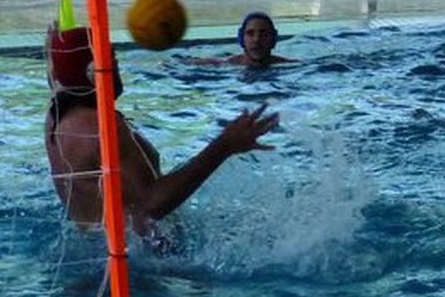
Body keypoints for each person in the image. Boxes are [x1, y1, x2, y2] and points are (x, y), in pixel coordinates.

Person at [44, 24, 280, 235]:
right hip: (139, 262)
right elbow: (151, 204)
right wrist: (225, 145)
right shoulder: (101, 128)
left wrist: (54, 45)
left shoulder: (55, 116)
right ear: (92, 72)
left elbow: (60, 73)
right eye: (112, 61)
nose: (117, 68)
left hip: (98, 250)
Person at [225, 12, 297, 68]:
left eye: (264, 34)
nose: (257, 39)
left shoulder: (292, 66)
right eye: (250, 33)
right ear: (241, 39)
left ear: (273, 39)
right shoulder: (223, 65)